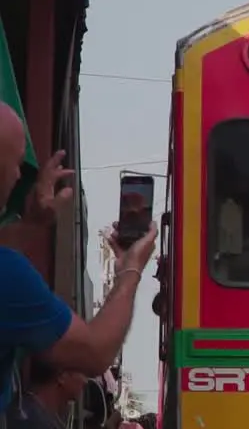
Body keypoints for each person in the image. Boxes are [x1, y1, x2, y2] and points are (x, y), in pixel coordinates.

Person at [0, 103, 156, 412]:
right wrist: (130, 270)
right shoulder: (9, 275)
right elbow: (95, 352)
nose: (20, 176)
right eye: (16, 163)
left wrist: (31, 225)